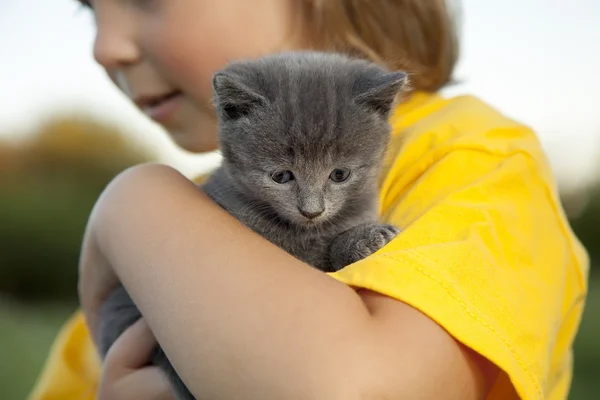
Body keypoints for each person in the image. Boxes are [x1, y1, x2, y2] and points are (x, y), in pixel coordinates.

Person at [28, 0, 588, 399]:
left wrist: (133, 199)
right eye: (88, 9)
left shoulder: (477, 158)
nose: (105, 47)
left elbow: (361, 388)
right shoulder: (184, 220)